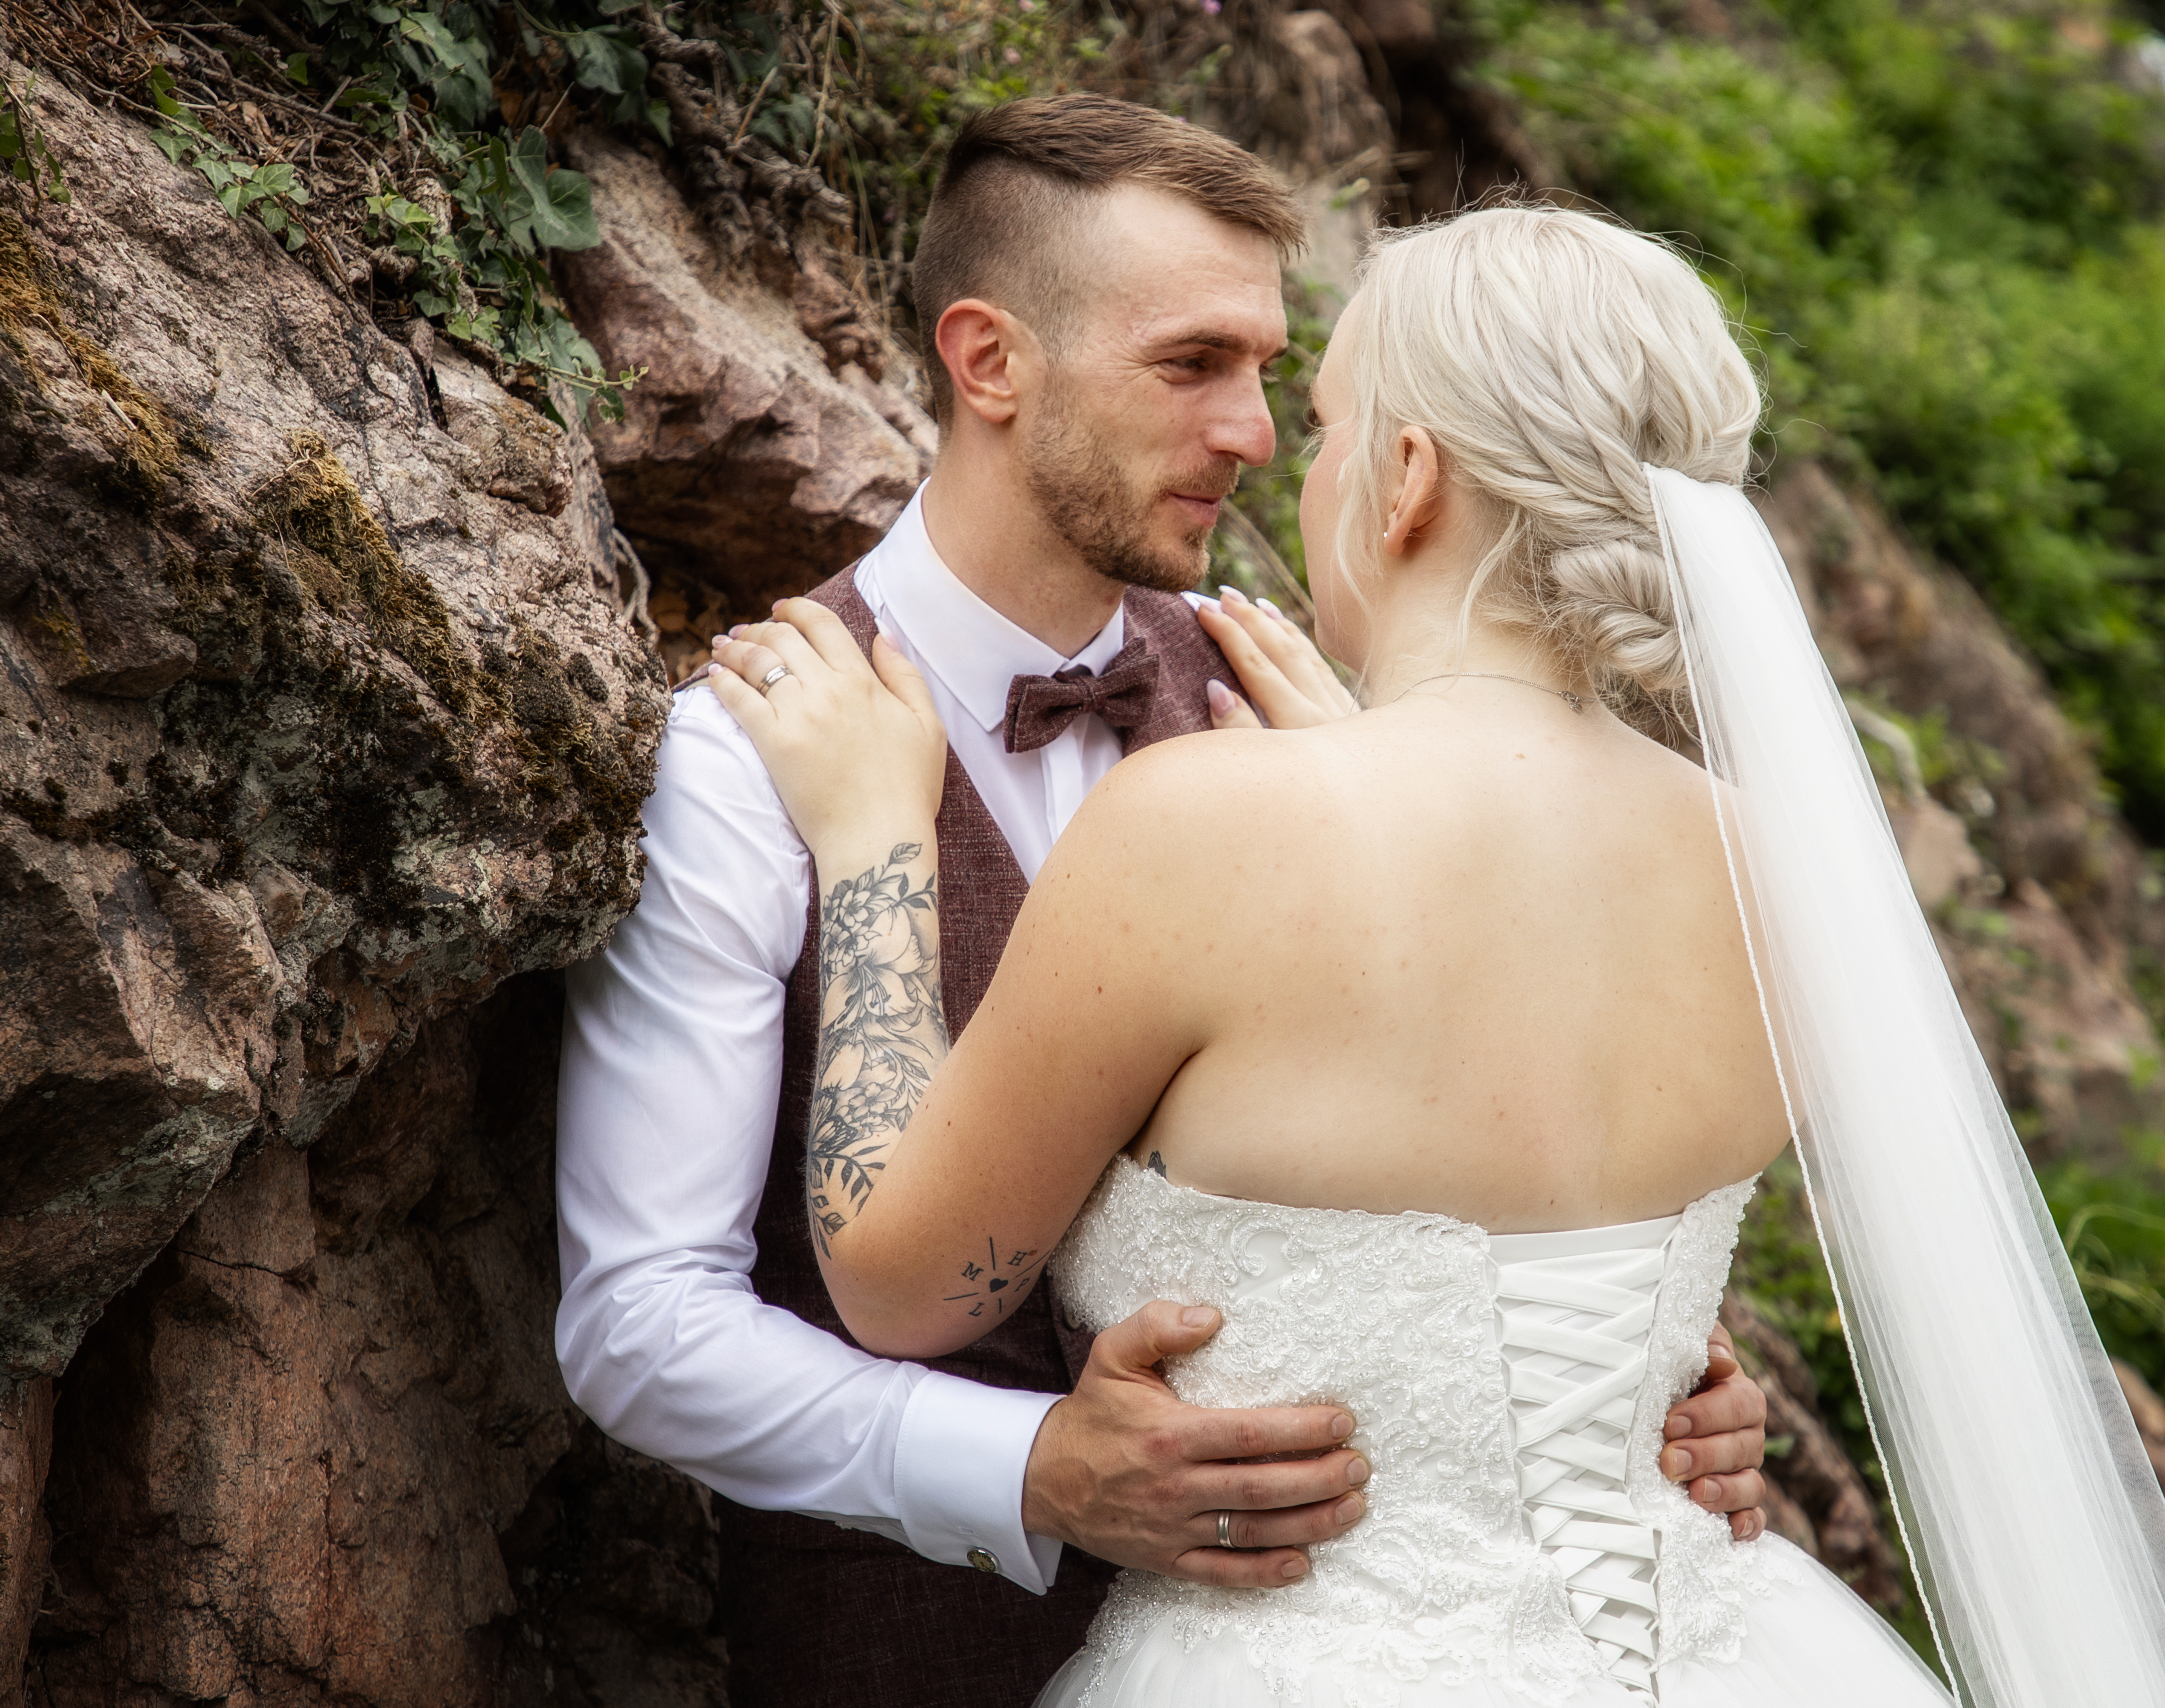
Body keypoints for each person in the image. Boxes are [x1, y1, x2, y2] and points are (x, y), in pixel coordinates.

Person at [705, 199, 2165, 1706]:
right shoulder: (1784, 874)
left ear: (1411, 478)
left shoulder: (1206, 826)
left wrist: (877, 844)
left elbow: (901, 1285)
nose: (1282, 474)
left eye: (1319, 429)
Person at [553, 96, 1771, 1708]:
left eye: (1273, 372)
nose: (1257, 432)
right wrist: (1029, 1467)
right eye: (1193, 365)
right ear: (989, 363)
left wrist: (1641, 1376)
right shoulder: (758, 748)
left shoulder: (1293, 720)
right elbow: (638, 1319)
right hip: (919, 1656)